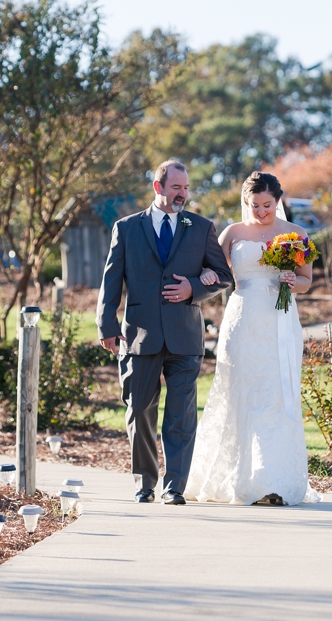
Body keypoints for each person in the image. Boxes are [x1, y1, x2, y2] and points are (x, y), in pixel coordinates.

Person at [96, 160, 233, 505]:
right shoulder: (126, 228)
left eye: (186, 188)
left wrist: (194, 289)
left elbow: (223, 275)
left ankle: (175, 487)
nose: (183, 194)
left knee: (181, 414)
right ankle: (145, 483)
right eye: (176, 188)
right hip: (138, 336)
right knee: (139, 408)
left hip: (185, 336)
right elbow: (111, 280)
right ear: (158, 188)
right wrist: (107, 325)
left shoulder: (201, 227)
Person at [185, 172, 320, 506]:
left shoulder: (296, 235)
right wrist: (205, 273)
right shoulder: (232, 233)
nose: (261, 211)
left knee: (276, 395)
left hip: (280, 322)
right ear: (246, 202)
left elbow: (306, 281)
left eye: (267, 205)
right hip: (242, 319)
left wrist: (292, 280)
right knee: (241, 393)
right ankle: (239, 478)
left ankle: (272, 481)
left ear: (278, 200)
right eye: (255, 205)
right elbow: (211, 271)